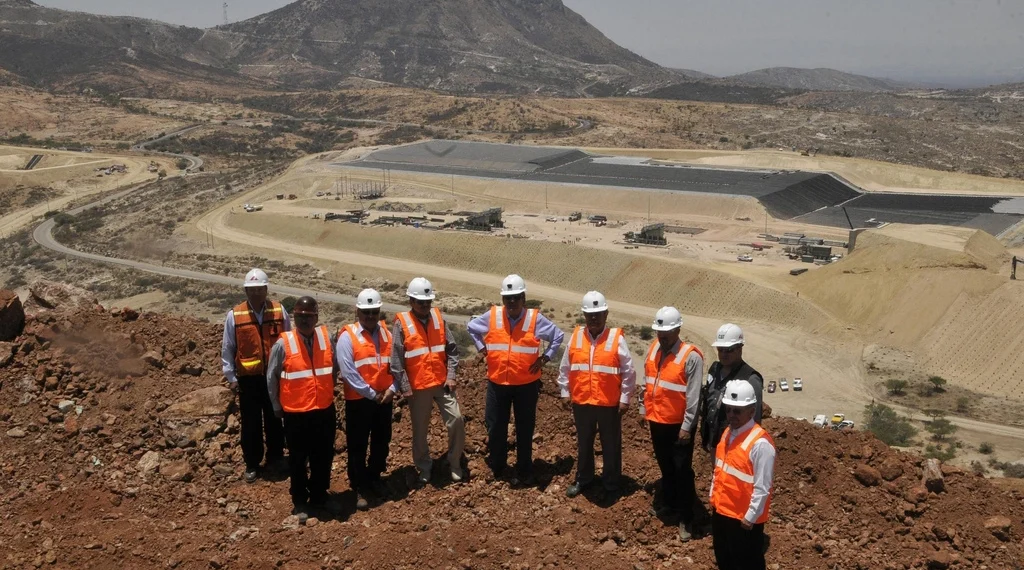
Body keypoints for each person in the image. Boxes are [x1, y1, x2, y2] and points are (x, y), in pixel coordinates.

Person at [467, 274, 564, 486]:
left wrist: (545, 357)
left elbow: (558, 336)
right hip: (497, 383)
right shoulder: (493, 316)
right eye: (507, 298)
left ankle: (524, 468)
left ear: (523, 298)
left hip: (526, 385)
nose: (511, 302)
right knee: (495, 425)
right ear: (503, 299)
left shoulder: (534, 319)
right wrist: (482, 348)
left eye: (516, 297)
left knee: (524, 427)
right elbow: (472, 327)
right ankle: (498, 465)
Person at [557, 291, 636, 501]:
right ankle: (584, 479)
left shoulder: (615, 338)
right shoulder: (575, 337)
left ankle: (611, 483)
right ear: (584, 315)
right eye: (590, 314)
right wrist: (565, 392)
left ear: (606, 314)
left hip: (609, 403)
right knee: (584, 444)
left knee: (610, 445)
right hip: (582, 402)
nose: (594, 318)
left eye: (598, 313)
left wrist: (625, 398)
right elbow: (565, 367)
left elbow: (629, 371)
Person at [267, 297, 338, 517]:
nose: (304, 320)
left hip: (323, 409)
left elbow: (333, 370)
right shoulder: (283, 344)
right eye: (300, 316)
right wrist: (277, 405)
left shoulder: (326, 340)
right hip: (296, 414)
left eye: (308, 316)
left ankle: (318, 495)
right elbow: (272, 377)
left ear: (316, 317)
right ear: (294, 317)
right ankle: (299, 500)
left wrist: (324, 391)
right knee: (298, 459)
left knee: (323, 456)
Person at [638, 306, 704, 541]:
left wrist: (687, 426)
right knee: (666, 467)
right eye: (659, 332)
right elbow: (649, 382)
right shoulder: (655, 348)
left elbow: (694, 397)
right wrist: (644, 409)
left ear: (677, 329)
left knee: (682, 471)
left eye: (666, 332)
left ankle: (687, 517)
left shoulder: (691, 357)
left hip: (679, 427)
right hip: (658, 420)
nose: (661, 336)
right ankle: (670, 503)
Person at [390, 277, 465, 485]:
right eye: (420, 302)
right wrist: (405, 386)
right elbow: (396, 359)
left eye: (428, 302)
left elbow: (451, 350)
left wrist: (451, 375)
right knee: (420, 430)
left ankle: (455, 462)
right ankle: (424, 466)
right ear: (411, 301)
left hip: (442, 382)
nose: (425, 306)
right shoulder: (402, 323)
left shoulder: (438, 318)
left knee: (457, 419)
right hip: (418, 387)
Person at [221, 268, 289, 483]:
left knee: (274, 417)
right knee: (250, 423)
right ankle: (252, 463)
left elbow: (288, 341)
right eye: (252, 290)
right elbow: (228, 347)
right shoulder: (235, 315)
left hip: (273, 377)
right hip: (248, 379)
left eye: (260, 289)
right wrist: (231, 377)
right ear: (246, 291)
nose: (256, 293)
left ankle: (276, 457)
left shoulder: (279, 311)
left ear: (266, 289)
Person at [336, 289, 398, 510]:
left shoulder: (387, 335)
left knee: (382, 440)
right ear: (358, 311)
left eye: (374, 311)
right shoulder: (348, 336)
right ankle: (359, 484)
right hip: (360, 400)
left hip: (384, 398)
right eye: (366, 312)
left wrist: (393, 388)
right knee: (358, 444)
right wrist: (371, 394)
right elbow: (348, 372)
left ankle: (374, 477)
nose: (370, 316)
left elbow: (397, 366)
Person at [709, 379, 776, 570]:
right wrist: (713, 497)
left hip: (743, 521)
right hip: (722, 512)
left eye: (737, 411)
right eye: (728, 409)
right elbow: (719, 468)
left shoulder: (760, 444)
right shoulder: (728, 433)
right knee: (725, 560)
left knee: (747, 563)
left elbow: (763, 486)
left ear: (751, 411)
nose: (731, 415)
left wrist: (750, 517)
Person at [700, 323, 764, 453]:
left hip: (736, 445)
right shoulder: (715, 369)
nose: (723, 354)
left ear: (740, 348)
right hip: (714, 441)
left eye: (728, 350)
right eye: (720, 349)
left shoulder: (750, 379)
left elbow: (755, 420)